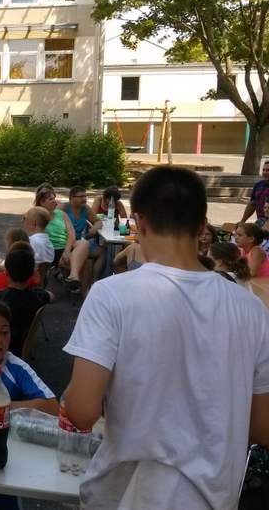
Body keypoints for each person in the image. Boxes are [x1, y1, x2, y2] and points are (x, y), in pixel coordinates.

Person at [63, 165, 269, 510]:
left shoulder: (110, 295)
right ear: (203, 228)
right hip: (214, 497)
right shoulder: (251, 309)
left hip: (122, 495)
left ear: (140, 223)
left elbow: (82, 411)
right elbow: (262, 428)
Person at [0, 298, 59, 510]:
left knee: (4, 502)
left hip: (1, 453)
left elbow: (52, 406)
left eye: (5, 332)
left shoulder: (15, 367)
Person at [0, 247, 54, 357]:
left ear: (6, 272)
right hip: (19, 348)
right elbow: (52, 297)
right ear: (32, 273)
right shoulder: (38, 296)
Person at [34, 184, 88, 293]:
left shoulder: (61, 214)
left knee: (84, 243)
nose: (55, 201)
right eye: (51, 199)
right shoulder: (37, 216)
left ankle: (73, 277)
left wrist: (67, 251)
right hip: (48, 251)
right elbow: (35, 236)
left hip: (64, 249)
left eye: (54, 198)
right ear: (42, 202)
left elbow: (71, 233)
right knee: (84, 264)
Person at [62, 185, 105, 281]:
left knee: (102, 251)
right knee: (85, 262)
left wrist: (94, 229)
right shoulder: (63, 208)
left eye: (85, 196)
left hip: (78, 243)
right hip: (65, 243)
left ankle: (95, 280)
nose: (84, 199)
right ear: (71, 198)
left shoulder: (85, 208)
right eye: (81, 197)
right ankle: (75, 282)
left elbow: (98, 221)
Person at [237, 159, 269, 227]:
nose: (265, 172)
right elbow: (252, 204)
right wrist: (242, 221)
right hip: (261, 221)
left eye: (268, 170)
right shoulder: (258, 185)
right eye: (263, 170)